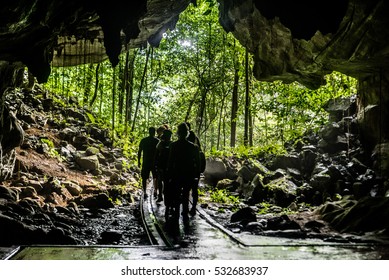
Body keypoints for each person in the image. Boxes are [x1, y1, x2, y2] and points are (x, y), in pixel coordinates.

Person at [167, 122, 200, 228]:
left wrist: (169, 175)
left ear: (178, 133)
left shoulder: (173, 145)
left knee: (176, 194)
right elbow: (198, 163)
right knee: (186, 194)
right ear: (186, 133)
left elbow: (170, 162)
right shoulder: (193, 147)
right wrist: (196, 175)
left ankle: (176, 214)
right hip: (188, 175)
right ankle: (185, 213)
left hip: (176, 174)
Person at [185, 122, 204, 216]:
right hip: (195, 170)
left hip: (187, 169)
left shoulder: (185, 141)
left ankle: (186, 208)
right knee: (194, 189)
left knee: (186, 189)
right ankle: (193, 207)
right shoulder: (196, 140)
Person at [138, 127, 159, 198]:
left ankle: (145, 192)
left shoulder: (144, 140)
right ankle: (155, 191)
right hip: (154, 162)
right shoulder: (157, 141)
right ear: (154, 132)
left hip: (146, 161)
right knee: (155, 177)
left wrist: (138, 161)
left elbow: (139, 151)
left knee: (145, 177)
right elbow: (160, 153)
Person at [155, 129, 173, 203]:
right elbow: (156, 154)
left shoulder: (163, 144)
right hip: (164, 165)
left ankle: (162, 196)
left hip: (164, 165)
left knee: (161, 181)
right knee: (164, 181)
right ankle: (162, 196)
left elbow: (156, 154)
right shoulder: (162, 144)